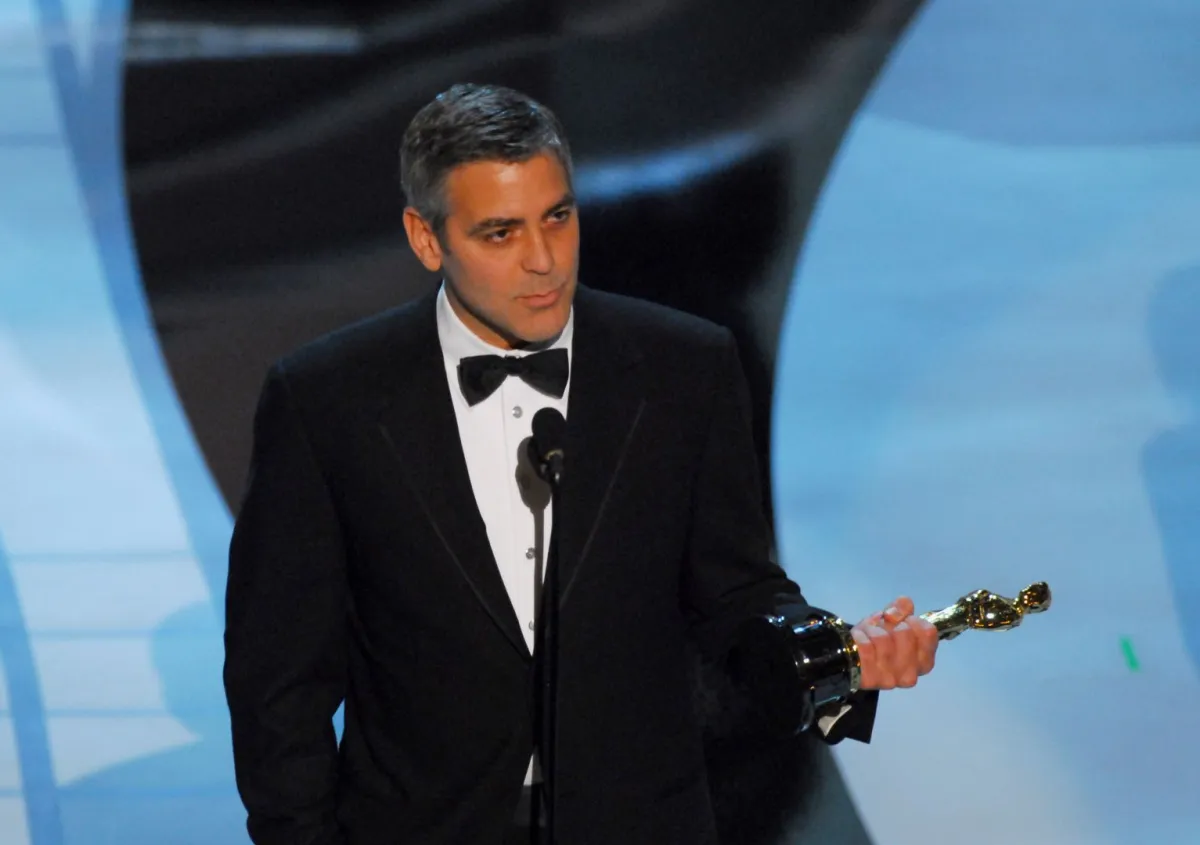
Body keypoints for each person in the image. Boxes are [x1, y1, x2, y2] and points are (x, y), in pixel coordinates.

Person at [222, 83, 939, 845]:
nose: (542, 261)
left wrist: (829, 656)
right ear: (427, 239)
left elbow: (735, 593)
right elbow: (279, 680)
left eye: (557, 217)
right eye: (500, 233)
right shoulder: (328, 399)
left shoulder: (681, 369)